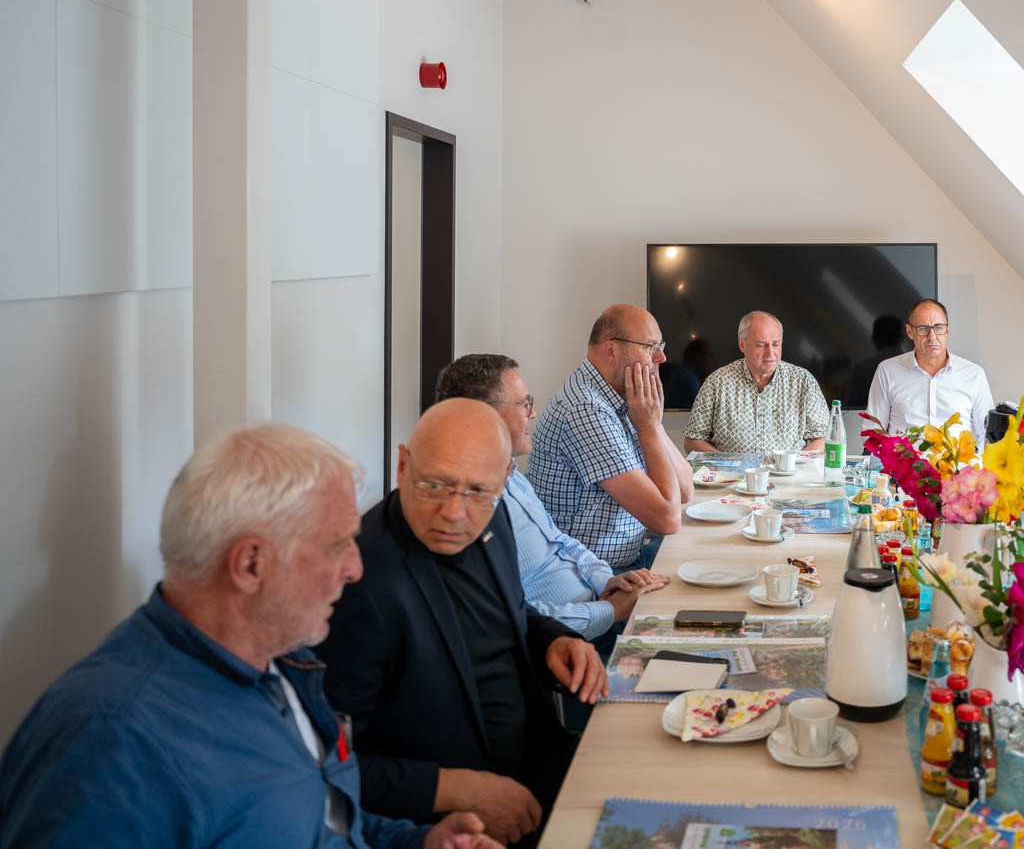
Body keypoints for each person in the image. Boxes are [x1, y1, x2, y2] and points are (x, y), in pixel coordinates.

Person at [0, 425, 500, 849]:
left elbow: (318, 817)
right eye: (338, 545)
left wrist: (417, 841)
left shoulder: (279, 663)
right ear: (251, 564)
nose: (355, 567)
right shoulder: (111, 741)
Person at [317, 400, 608, 847]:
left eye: (476, 491)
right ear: (401, 466)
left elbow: (504, 615)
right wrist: (458, 791)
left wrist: (552, 641)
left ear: (504, 482)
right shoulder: (357, 582)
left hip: (543, 758)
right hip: (457, 823)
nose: (454, 512)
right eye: (435, 485)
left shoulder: (495, 517)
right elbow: (331, 766)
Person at [433, 354, 669, 642]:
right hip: (572, 639)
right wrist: (610, 610)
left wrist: (606, 581)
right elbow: (519, 617)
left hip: (596, 600)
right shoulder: (464, 512)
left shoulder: (510, 475)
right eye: (524, 404)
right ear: (483, 415)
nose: (533, 413)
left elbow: (560, 541)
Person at [527, 304, 694, 571]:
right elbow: (667, 518)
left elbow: (685, 490)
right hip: (592, 575)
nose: (662, 357)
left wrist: (655, 423)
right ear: (611, 350)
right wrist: (649, 426)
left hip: (628, 555)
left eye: (660, 345)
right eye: (650, 346)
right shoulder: (585, 409)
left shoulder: (625, 396)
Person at [683, 311, 831, 454]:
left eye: (776, 344)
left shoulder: (802, 381)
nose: (770, 353)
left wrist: (794, 463)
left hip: (789, 477)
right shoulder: (717, 383)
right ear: (742, 345)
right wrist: (727, 462)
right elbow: (692, 441)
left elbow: (824, 438)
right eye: (761, 345)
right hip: (733, 477)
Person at [865, 298, 994, 438]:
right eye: (923, 329)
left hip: (957, 460)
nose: (932, 336)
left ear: (947, 330)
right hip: (905, 459)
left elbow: (987, 435)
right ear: (909, 332)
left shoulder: (974, 375)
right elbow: (873, 431)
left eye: (938, 327)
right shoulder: (887, 371)